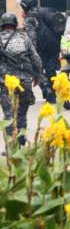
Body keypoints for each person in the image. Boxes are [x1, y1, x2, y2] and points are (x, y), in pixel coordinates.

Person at [0, 13, 42, 145]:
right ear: (15, 25)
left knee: (9, 115)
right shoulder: (24, 38)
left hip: (6, 83)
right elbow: (36, 59)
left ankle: (12, 146)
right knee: (22, 114)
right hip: (25, 81)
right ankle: (21, 141)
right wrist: (37, 75)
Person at [18, 0, 59, 103]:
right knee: (51, 69)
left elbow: (31, 37)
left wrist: (31, 52)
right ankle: (53, 94)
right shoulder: (43, 12)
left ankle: (47, 90)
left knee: (38, 69)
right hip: (53, 45)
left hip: (41, 48)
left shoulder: (30, 18)